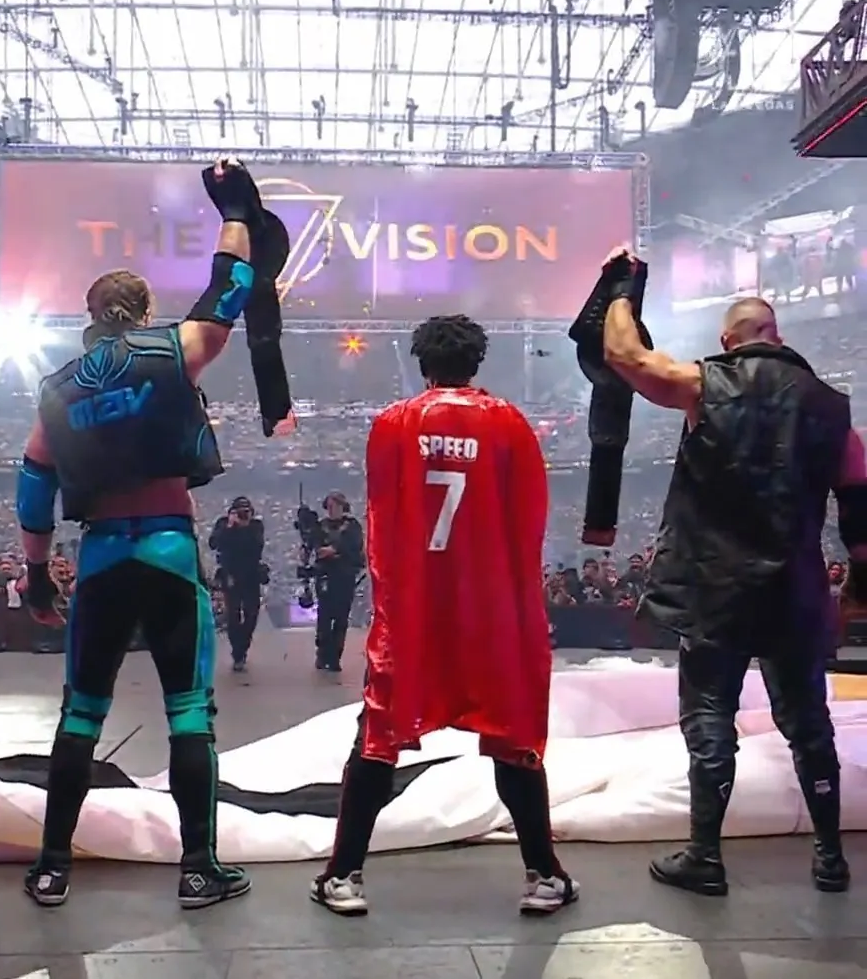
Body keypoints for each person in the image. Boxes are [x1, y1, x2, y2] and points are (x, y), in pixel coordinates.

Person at [16, 157, 293, 910]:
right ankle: (198, 869)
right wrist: (235, 212)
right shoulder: (174, 350)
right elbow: (231, 287)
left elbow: (35, 482)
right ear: (142, 311)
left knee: (80, 712)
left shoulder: (57, 390)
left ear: (89, 312)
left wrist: (36, 574)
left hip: (102, 555)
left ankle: (51, 867)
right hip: (169, 548)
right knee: (189, 712)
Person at [599, 251, 853, 895]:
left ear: (727, 341)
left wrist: (621, 287)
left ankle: (705, 857)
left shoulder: (705, 383)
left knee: (710, 716)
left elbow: (625, 355)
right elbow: (861, 504)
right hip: (795, 588)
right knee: (809, 723)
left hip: (715, 588)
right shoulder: (834, 408)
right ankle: (830, 857)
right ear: (778, 336)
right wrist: (856, 590)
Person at [311, 314, 577, 917]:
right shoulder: (510, 423)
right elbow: (527, 524)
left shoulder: (393, 424)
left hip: (417, 614)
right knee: (512, 738)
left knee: (378, 737)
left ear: (421, 362)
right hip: (489, 615)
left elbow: (383, 522)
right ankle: (544, 875)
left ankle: (344, 876)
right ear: (477, 361)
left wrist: (393, 605)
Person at [310, 492, 365, 672]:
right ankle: (322, 653)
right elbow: (314, 545)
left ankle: (335, 657)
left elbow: (355, 546)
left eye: (335, 506)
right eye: (329, 506)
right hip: (325, 575)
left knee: (341, 618)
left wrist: (335, 550)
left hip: (344, 576)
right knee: (324, 617)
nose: (331, 509)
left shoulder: (352, 526)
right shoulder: (321, 526)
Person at [209, 497, 266, 672]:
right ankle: (237, 653)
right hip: (230, 574)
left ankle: (243, 647)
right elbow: (214, 544)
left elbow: (257, 546)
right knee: (233, 615)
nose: (242, 515)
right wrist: (229, 527)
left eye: (246, 512)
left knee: (251, 614)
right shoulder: (223, 524)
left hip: (251, 575)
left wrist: (244, 526)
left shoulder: (255, 526)